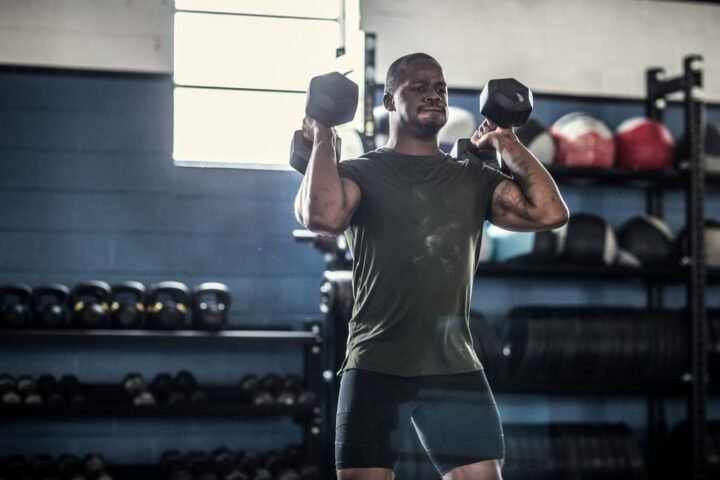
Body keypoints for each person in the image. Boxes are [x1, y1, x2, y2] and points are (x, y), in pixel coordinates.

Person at [294, 53, 569, 480]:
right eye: (418, 86)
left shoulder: (471, 177)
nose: (434, 94)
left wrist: (505, 139)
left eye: (440, 87)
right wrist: (323, 135)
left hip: (454, 366)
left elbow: (549, 212)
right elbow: (323, 216)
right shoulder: (360, 173)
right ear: (388, 100)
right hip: (376, 363)